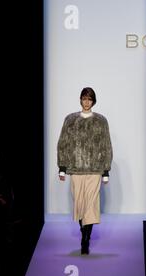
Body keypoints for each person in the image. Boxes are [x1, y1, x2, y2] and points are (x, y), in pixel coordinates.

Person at [57, 87, 113, 254]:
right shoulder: (70, 120)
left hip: (95, 169)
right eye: (84, 98)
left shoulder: (101, 121)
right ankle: (84, 232)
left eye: (90, 99)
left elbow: (106, 145)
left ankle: (85, 239)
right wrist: (62, 168)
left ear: (93, 101)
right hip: (76, 169)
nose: (87, 102)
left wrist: (105, 171)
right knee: (80, 204)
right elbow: (63, 144)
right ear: (80, 100)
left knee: (91, 204)